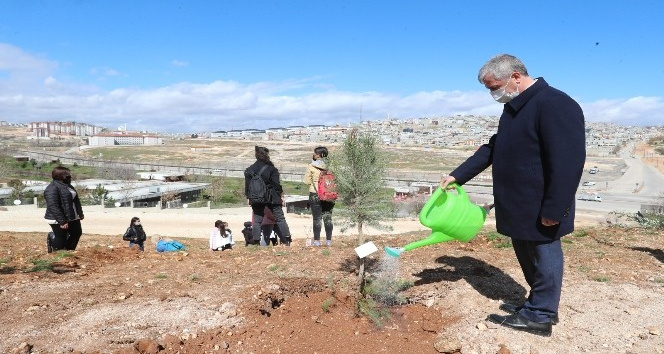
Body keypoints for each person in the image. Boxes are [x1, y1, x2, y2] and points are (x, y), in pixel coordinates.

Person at [440, 54, 585, 337]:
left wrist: (555, 208)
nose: (493, 93)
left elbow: (568, 162)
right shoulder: (515, 108)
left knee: (545, 254)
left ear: (516, 76)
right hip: (519, 203)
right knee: (527, 254)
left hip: (541, 202)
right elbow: (494, 148)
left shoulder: (554, 104)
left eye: (494, 87)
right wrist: (458, 175)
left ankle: (541, 315)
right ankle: (538, 304)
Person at [244, 146, 293, 246]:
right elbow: (276, 185)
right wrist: (280, 195)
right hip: (272, 197)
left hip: (256, 197)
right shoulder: (271, 169)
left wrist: (248, 197)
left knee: (257, 221)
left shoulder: (249, 170)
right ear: (266, 155)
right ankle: (287, 240)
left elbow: (247, 186)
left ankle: (256, 242)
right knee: (280, 219)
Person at [44, 166, 84, 252]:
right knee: (61, 237)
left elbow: (76, 201)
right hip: (58, 218)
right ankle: (56, 247)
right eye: (67, 174)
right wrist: (62, 221)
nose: (69, 175)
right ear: (59, 175)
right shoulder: (52, 188)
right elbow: (53, 205)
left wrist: (80, 213)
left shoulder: (68, 186)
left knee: (77, 233)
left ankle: (69, 251)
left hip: (72, 215)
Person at [304, 146, 334, 246]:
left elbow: (307, 181)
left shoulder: (311, 166)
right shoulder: (332, 165)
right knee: (328, 217)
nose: (314, 154)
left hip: (315, 193)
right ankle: (329, 241)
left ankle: (317, 241)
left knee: (317, 218)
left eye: (315, 153)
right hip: (329, 193)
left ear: (319, 155)